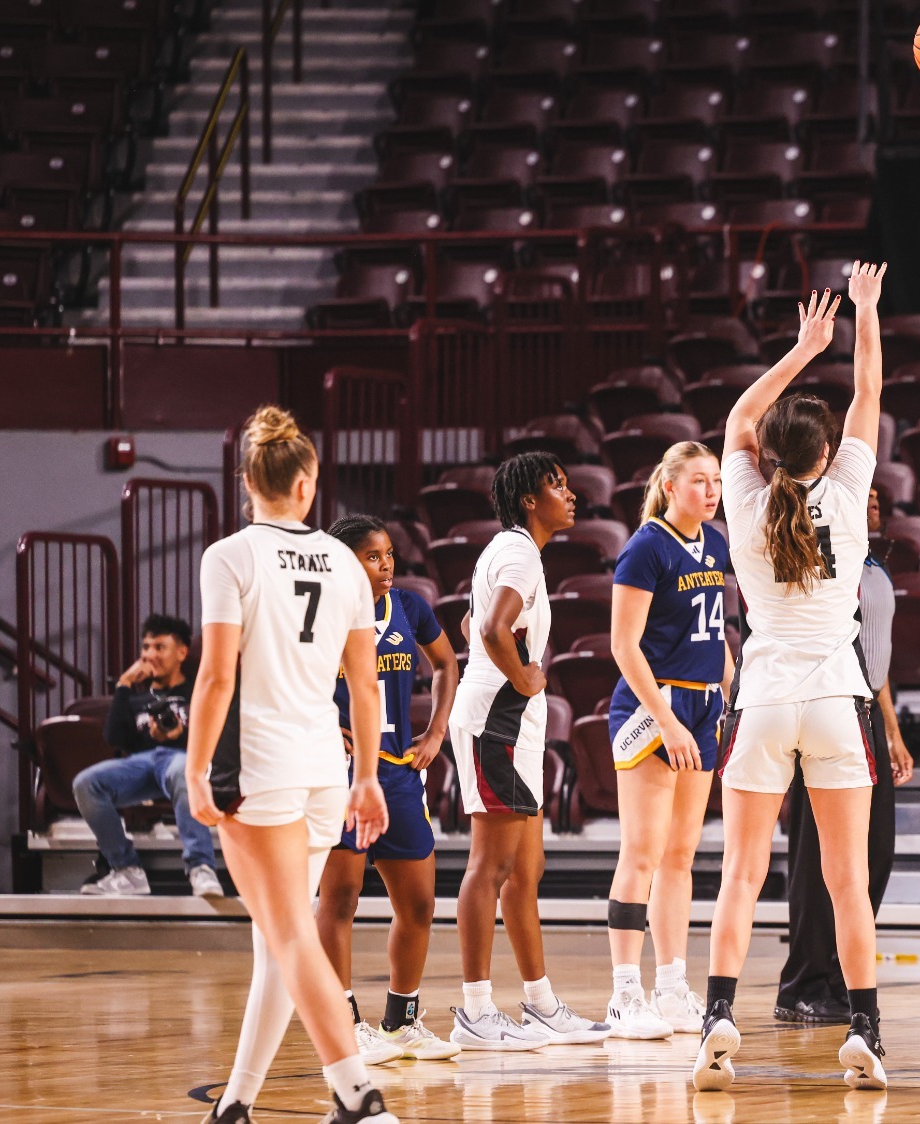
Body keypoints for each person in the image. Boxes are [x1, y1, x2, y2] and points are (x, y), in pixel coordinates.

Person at [692, 262, 890, 1094]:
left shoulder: (744, 497)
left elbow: (739, 417)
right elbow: (869, 391)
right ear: (827, 453)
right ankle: (865, 1031)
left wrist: (805, 347)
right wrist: (863, 315)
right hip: (838, 699)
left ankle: (717, 1017)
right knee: (848, 883)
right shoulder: (847, 492)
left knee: (740, 874)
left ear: (770, 454)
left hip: (765, 699)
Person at [187, 406, 398, 1124]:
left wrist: (194, 768)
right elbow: (365, 684)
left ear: (247, 482)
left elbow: (217, 676)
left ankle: (358, 1096)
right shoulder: (345, 562)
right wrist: (367, 777)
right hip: (325, 771)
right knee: (276, 943)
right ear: (307, 484)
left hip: (259, 770)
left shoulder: (230, 557)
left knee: (289, 935)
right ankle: (236, 1104)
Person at [445, 452, 611, 1051]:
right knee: (489, 868)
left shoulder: (509, 550)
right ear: (529, 501)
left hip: (510, 724)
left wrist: (513, 673)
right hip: (498, 722)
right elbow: (490, 629)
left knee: (525, 872)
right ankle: (474, 1011)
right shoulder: (518, 553)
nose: (571, 494)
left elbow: (469, 625)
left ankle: (541, 1005)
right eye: (556, 485)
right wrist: (522, 678)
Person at [313, 515, 463, 1065]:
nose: (386, 566)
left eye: (389, 555)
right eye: (372, 556)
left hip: (398, 773)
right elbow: (288, 680)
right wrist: (323, 728)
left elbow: (446, 663)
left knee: (419, 903)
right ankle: (344, 1024)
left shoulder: (409, 606)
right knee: (340, 900)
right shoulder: (320, 614)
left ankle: (401, 1022)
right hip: (342, 775)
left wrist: (437, 732)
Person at [601, 441, 735, 1040]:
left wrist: (732, 688)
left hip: (703, 704)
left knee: (682, 855)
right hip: (652, 705)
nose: (712, 491)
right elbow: (622, 645)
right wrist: (666, 720)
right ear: (671, 486)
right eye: (700, 481)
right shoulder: (646, 546)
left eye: (716, 481)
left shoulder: (717, 543)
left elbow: (715, 631)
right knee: (643, 852)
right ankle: (624, 993)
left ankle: (672, 986)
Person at [775, 481, 914, 1023]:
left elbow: (879, 659)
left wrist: (893, 731)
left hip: (867, 713)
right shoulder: (828, 563)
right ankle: (801, 984)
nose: (874, 501)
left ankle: (839, 975)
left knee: (877, 851)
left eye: (880, 497)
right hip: (828, 709)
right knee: (816, 856)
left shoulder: (874, 565)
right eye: (865, 495)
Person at [75, 614, 221, 898]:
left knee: (183, 770)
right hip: (142, 764)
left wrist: (178, 734)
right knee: (86, 783)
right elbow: (114, 738)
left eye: (159, 647)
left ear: (182, 652)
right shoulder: (135, 698)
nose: (149, 655)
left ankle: (201, 867)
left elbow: (215, 734)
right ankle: (126, 870)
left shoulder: (197, 691)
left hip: (182, 758)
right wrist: (124, 684)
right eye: (146, 647)